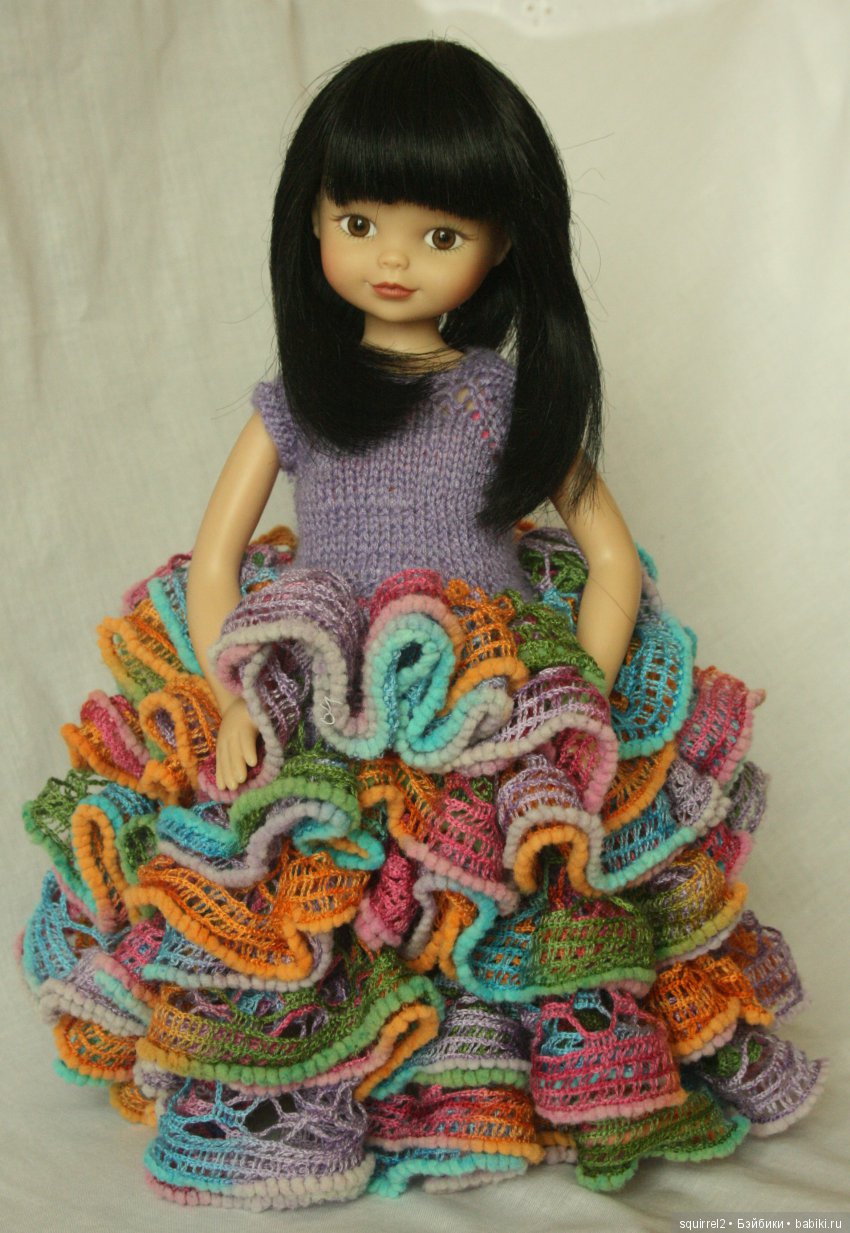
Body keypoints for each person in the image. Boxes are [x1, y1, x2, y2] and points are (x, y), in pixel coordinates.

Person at [19, 39, 824, 1210]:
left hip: (488, 694)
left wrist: (575, 702)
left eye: (439, 235)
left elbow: (609, 561)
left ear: (501, 246)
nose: (393, 259)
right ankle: (336, 1079)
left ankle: (478, 1084)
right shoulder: (296, 403)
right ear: (311, 223)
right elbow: (217, 565)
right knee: (316, 875)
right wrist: (234, 695)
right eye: (360, 223)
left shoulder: (497, 399)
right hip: (321, 679)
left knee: (503, 880)